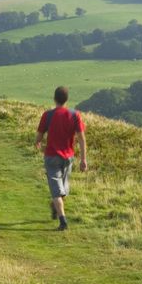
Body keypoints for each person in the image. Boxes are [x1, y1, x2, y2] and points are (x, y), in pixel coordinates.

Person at [36, 85, 87, 230]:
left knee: (59, 192)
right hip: (68, 158)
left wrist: (38, 143)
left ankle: (57, 209)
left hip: (51, 157)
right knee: (60, 191)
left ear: (54, 98)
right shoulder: (74, 115)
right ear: (67, 99)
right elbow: (82, 138)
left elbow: (39, 136)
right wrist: (83, 159)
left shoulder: (48, 115)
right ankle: (62, 220)